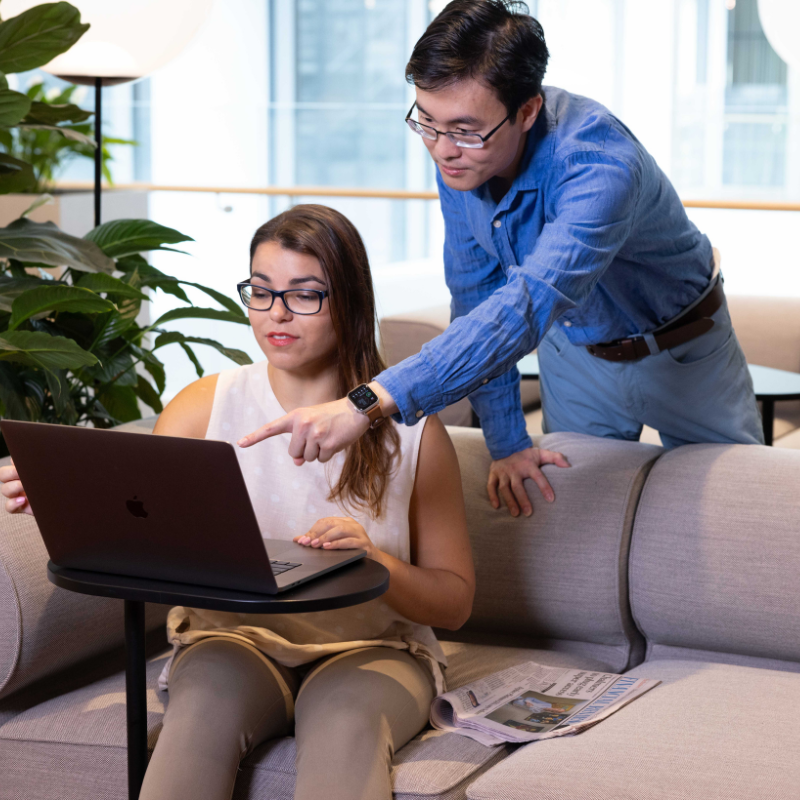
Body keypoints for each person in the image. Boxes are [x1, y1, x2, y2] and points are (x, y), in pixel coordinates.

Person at [0, 204, 475, 800]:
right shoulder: (203, 406)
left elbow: (454, 602)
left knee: (344, 727)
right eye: (262, 291)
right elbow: (145, 530)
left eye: (305, 295)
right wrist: (72, 500)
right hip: (231, 640)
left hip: (376, 649)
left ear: (351, 301)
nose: (277, 313)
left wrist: (375, 563)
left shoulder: (415, 432)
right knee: (199, 717)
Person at [237, 0, 763, 520]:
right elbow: (475, 299)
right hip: (575, 354)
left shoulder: (599, 165)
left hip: (685, 348)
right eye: (427, 121)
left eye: (464, 129)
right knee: (576, 523)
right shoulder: (462, 157)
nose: (442, 149)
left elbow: (524, 305)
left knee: (746, 512)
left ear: (528, 110)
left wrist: (366, 402)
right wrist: (508, 442)